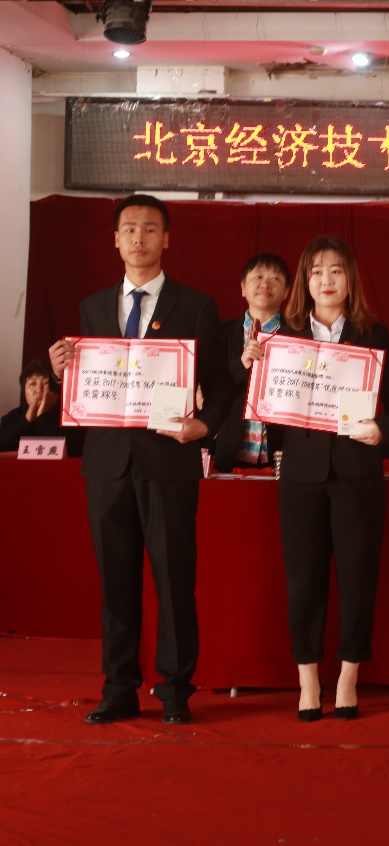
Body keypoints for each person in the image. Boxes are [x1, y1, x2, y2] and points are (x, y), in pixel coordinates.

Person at [47, 194, 230, 725]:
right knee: (116, 582)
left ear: (166, 239)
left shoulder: (196, 306)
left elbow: (220, 383)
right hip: (108, 463)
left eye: (150, 229)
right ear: (115, 240)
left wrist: (204, 426)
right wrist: (61, 371)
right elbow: (88, 381)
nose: (139, 238)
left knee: (174, 579)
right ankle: (119, 688)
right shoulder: (93, 306)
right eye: (129, 229)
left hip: (168, 461)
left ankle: (174, 690)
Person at [242, 236, 389, 721]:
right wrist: (251, 368)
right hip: (301, 472)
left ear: (349, 278)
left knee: (358, 577)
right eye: (316, 272)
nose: (326, 280)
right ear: (304, 281)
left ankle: (349, 675)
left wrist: (382, 430)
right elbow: (260, 406)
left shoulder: (374, 333)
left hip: (358, 471)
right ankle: (309, 678)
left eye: (336, 271)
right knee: (303, 579)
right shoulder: (282, 335)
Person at [213, 253, 292, 473]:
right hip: (228, 450)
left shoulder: (299, 336)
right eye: (258, 277)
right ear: (243, 288)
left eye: (275, 278)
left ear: (286, 292)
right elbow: (210, 389)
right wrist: (241, 366)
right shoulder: (220, 334)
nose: (265, 284)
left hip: (283, 452)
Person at [0, 361, 69, 452]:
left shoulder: (68, 418)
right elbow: (2, 447)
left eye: (46, 383)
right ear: (24, 392)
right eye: (33, 384)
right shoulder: (11, 417)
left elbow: (68, 450)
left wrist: (43, 416)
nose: (39, 390)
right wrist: (26, 419)